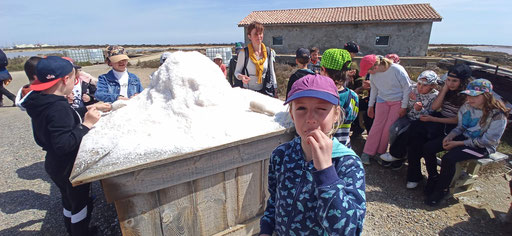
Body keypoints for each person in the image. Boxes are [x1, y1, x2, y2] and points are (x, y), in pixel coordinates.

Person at [259, 74, 366, 236]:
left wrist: (326, 172)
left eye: (321, 109)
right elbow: (274, 200)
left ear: (336, 114)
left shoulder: (348, 163)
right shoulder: (281, 155)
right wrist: (266, 230)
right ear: (292, 114)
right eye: (301, 108)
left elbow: (349, 230)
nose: (310, 119)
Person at [21, 56, 111, 235]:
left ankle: (71, 229)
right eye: (74, 78)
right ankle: (80, 232)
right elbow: (64, 144)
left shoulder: (40, 100)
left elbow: (64, 118)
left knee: (68, 201)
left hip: (54, 163)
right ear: (65, 80)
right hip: (68, 166)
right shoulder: (58, 108)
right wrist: (86, 125)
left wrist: (88, 108)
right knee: (80, 204)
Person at [424, 79, 508, 206]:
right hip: (464, 138)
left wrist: (458, 144)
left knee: (449, 158)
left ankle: (442, 189)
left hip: (482, 147)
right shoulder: (467, 106)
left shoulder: (498, 115)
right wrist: (451, 136)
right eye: (468, 94)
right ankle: (433, 177)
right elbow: (461, 127)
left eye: (475, 95)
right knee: (428, 147)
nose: (470, 98)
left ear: (486, 95)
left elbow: (489, 140)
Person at [406, 64, 472, 190]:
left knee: (424, 145)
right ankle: (414, 176)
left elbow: (457, 120)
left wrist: (433, 119)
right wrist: (445, 89)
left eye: (454, 81)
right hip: (439, 121)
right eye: (449, 80)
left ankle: (431, 176)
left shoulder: (466, 97)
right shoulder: (447, 90)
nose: (451, 83)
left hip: (452, 127)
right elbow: (435, 107)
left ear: (462, 82)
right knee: (414, 137)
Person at [379, 70, 440, 170]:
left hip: (418, 122)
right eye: (419, 83)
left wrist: (420, 108)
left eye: (425, 85)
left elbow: (430, 113)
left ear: (432, 86)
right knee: (393, 130)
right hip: (407, 116)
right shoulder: (413, 89)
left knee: (403, 133)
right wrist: (411, 102)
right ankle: (395, 153)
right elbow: (405, 104)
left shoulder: (435, 96)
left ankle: (400, 156)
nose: (420, 87)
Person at [358, 55, 412, 165]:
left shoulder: (397, 69)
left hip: (397, 102)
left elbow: (407, 88)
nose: (368, 73)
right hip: (382, 100)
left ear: (376, 66)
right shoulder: (373, 75)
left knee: (388, 128)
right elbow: (374, 90)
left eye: (369, 70)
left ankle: (380, 152)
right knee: (377, 126)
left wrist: (404, 106)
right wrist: (370, 105)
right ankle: (367, 152)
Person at [320, 48, 359, 148]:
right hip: (343, 148)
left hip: (322, 150)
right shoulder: (353, 96)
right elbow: (352, 118)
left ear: (323, 69)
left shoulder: (318, 96)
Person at [234, 21, 277, 97]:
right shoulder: (243, 53)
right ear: (249, 36)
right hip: (247, 93)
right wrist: (242, 77)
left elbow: (272, 72)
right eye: (255, 34)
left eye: (260, 33)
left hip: (264, 92)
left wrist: (275, 90)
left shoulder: (268, 52)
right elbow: (236, 72)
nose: (259, 36)